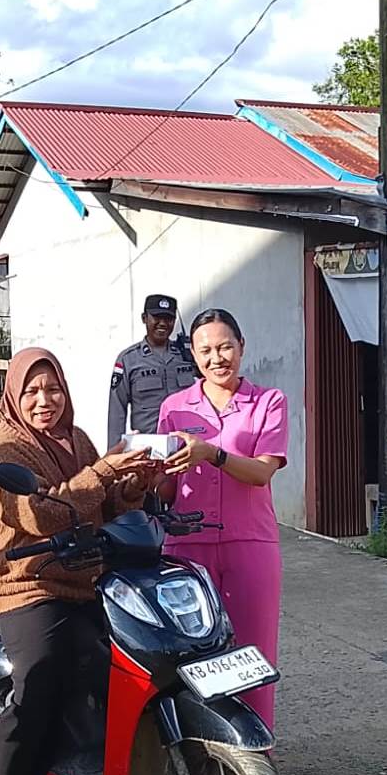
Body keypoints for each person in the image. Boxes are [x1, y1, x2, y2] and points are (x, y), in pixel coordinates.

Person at [0, 348, 158, 775]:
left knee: (134, 661)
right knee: (38, 679)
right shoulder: (4, 446)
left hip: (86, 577)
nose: (44, 401)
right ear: (14, 396)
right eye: (32, 391)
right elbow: (38, 516)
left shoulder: (77, 439)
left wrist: (134, 482)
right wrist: (101, 473)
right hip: (28, 584)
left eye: (52, 389)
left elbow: (104, 505)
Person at [156, 309, 288, 729]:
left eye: (225, 347)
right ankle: (200, 747)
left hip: (249, 542)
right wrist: (141, 471)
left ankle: (257, 747)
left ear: (241, 346)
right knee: (189, 655)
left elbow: (262, 472)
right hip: (186, 545)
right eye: (206, 350)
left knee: (252, 653)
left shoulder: (268, 402)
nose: (217, 358)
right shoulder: (175, 407)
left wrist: (212, 454)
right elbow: (166, 487)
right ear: (193, 355)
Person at [108, 293, 198, 443]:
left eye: (168, 319)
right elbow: (117, 412)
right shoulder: (128, 359)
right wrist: (115, 451)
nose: (162, 323)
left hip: (186, 443)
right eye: (156, 317)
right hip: (148, 446)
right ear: (144, 318)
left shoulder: (187, 355)